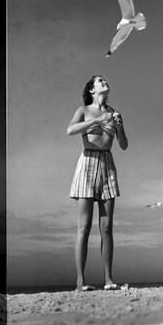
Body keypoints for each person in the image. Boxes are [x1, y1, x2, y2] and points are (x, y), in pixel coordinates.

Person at [67, 75, 128, 291]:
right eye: (100, 81)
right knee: (84, 226)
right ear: (92, 90)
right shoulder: (83, 110)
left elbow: (123, 145)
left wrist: (119, 126)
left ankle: (109, 279)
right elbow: (70, 130)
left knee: (107, 226)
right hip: (88, 161)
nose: (105, 82)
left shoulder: (114, 112)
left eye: (105, 80)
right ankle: (80, 281)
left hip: (107, 163)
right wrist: (95, 121)